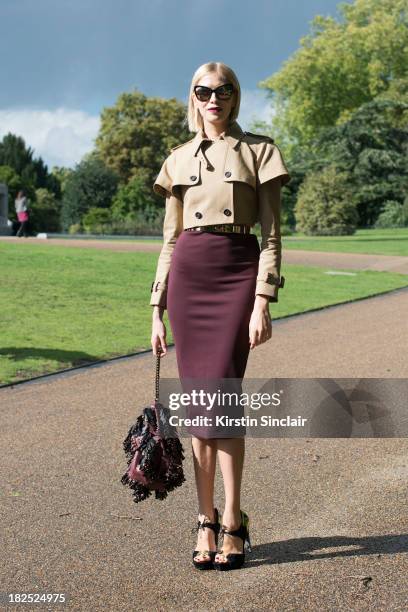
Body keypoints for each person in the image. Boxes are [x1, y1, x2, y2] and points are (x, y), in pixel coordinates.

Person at [150, 61, 291, 571]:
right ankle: (204, 520)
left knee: (222, 401)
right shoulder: (178, 158)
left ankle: (233, 520)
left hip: (237, 275)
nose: (214, 98)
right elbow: (169, 241)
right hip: (189, 279)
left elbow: (272, 235)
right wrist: (155, 310)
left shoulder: (260, 150)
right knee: (197, 411)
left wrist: (262, 300)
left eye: (224, 90)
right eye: (204, 91)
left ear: (236, 96)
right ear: (193, 96)